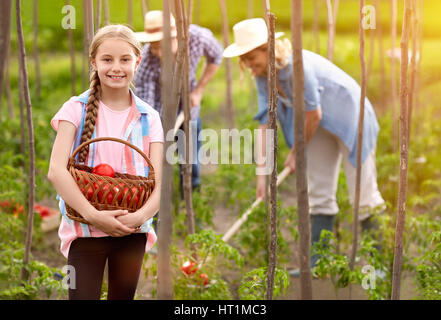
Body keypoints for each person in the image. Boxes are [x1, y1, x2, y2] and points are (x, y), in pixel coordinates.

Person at [223, 18, 385, 276]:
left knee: (363, 195)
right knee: (319, 194)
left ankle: (379, 267)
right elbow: (265, 122)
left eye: (251, 56)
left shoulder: (298, 66)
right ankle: (319, 265)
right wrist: (262, 175)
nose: (247, 64)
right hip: (319, 127)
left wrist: (296, 152)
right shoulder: (262, 76)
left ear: (268, 48)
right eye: (243, 59)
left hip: (351, 118)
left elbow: (314, 113)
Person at [47, 24, 164, 299]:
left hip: (131, 232)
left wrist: (139, 217)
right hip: (85, 231)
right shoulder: (75, 109)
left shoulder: (149, 117)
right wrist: (94, 215)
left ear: (137, 60)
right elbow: (56, 171)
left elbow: (161, 180)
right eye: (107, 59)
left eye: (125, 59)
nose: (116, 67)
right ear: (93, 62)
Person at [134, 10, 223, 194]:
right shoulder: (146, 62)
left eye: (161, 46)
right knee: (160, 160)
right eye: (153, 46)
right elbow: (147, 106)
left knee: (190, 157)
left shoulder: (198, 38)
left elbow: (217, 56)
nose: (157, 52)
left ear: (175, 37)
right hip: (161, 111)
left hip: (188, 108)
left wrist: (198, 90)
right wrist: (157, 135)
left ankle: (191, 194)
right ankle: (157, 194)